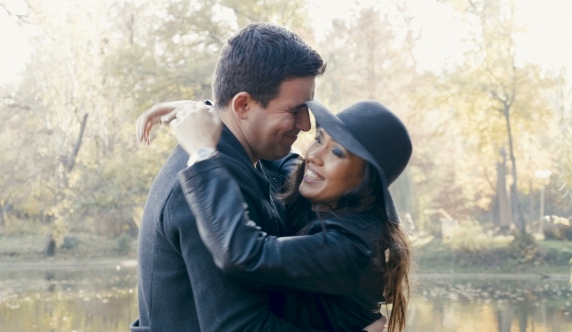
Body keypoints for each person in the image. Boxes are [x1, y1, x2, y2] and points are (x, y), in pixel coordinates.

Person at [132, 22, 385, 332]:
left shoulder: (254, 160)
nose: (306, 125)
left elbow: (294, 171)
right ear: (243, 105)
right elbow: (240, 327)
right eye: (294, 110)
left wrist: (203, 111)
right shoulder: (202, 186)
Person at [148, 99, 413, 332]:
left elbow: (247, 253)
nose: (314, 156)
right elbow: (276, 154)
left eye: (336, 152)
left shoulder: (352, 247)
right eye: (320, 138)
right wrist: (207, 113)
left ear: (365, 182)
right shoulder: (323, 200)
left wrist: (203, 155)